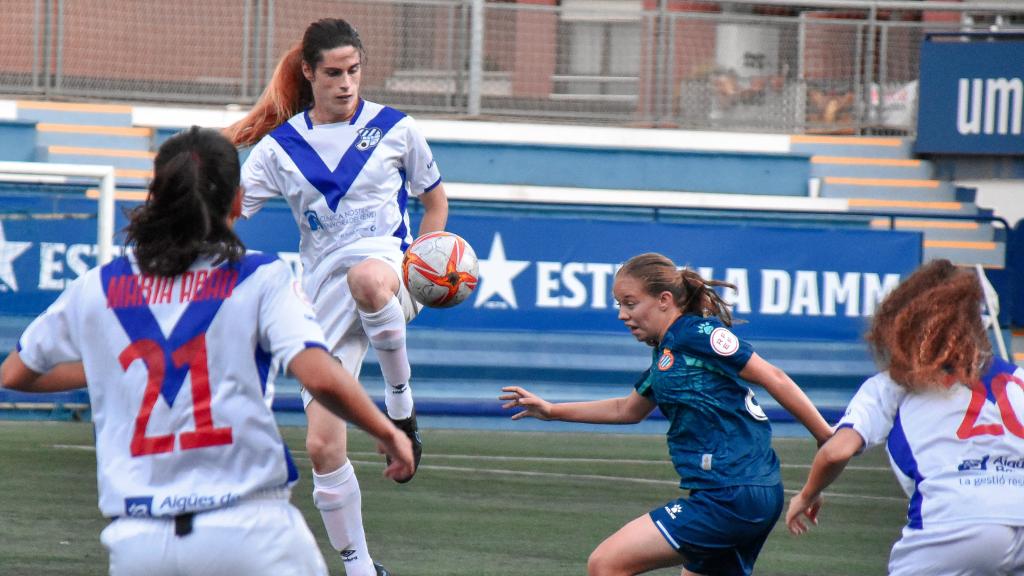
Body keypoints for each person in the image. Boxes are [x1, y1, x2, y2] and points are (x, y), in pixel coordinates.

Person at [0, 127, 414, 576]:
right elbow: (318, 374)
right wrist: (389, 430)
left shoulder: (98, 285)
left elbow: (15, 374)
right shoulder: (260, 277)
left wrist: (122, 365)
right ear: (238, 201)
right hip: (250, 531)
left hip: (139, 542)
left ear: (154, 195)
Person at [223, 17, 448, 575]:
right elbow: (230, 214)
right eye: (333, 73)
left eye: (354, 70)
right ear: (309, 72)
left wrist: (430, 256)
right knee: (324, 448)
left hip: (391, 276)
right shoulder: (279, 149)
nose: (346, 83)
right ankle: (361, 568)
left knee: (367, 280)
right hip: (323, 298)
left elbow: (434, 199)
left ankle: (401, 407)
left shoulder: (396, 128)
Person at [501, 252, 833, 576]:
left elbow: (773, 376)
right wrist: (551, 410)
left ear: (663, 300)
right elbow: (628, 409)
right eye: (619, 305)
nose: (622, 314)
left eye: (630, 303)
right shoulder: (669, 350)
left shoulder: (695, 335)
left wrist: (826, 439)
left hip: (731, 495)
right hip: (739, 493)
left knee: (606, 563)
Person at [786, 259, 1024, 575]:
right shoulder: (1018, 378)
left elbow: (836, 451)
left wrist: (807, 494)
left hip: (953, 522)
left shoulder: (892, 385)